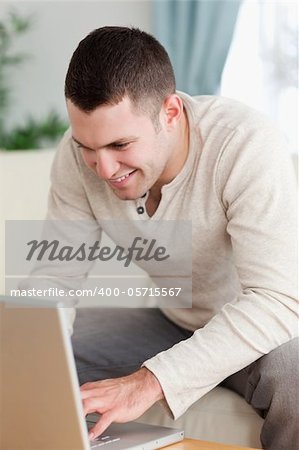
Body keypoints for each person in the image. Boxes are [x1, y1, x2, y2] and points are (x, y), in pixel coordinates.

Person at [47, 26, 298, 449]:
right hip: (173, 319)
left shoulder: (244, 145)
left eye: (120, 144)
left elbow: (278, 299)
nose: (103, 168)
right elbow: (55, 278)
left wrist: (150, 381)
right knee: (32, 359)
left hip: (265, 326)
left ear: (170, 112)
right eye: (87, 146)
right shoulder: (77, 158)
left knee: (295, 375)